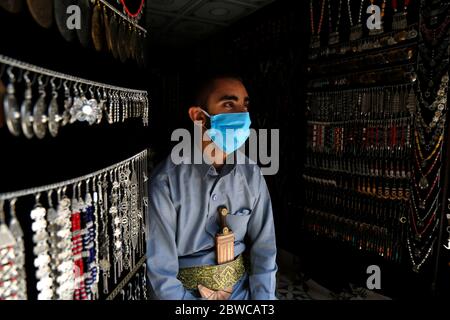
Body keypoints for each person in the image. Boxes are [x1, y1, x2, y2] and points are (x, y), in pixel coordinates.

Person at [146, 75, 277, 300]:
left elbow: (264, 250)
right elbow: (160, 274)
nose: (242, 115)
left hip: (241, 294)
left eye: (245, 105)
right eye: (229, 104)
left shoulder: (251, 174)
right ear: (199, 117)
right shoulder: (166, 182)